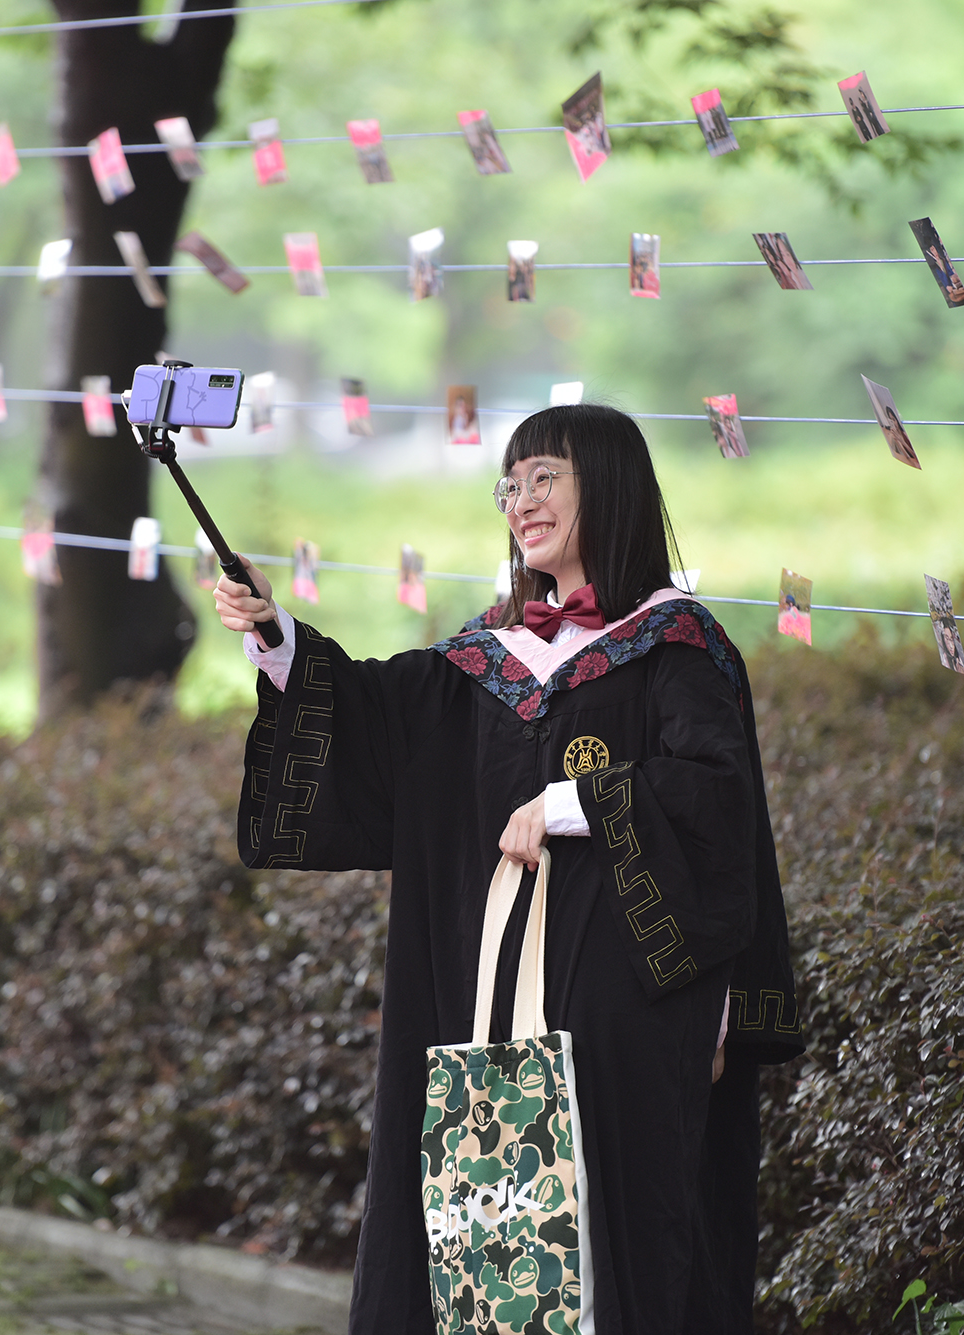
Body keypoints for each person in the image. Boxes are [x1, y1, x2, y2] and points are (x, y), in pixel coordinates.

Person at [214, 404, 801, 1334]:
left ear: (605, 484)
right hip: (474, 1001)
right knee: (469, 1227)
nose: (522, 501)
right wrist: (276, 630)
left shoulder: (675, 645)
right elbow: (371, 718)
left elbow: (714, 800)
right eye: (512, 483)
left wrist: (573, 801)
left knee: (608, 1250)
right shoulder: (484, 658)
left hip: (622, 1026)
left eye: (545, 478)